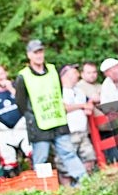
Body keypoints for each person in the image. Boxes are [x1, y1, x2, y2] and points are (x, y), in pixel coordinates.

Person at [14, 39, 87, 183]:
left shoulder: (53, 70)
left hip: (57, 120)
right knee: (41, 160)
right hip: (39, 124)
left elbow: (58, 92)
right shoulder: (23, 76)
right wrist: (32, 117)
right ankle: (44, 188)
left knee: (69, 153)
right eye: (35, 52)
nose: (39, 55)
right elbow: (21, 103)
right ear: (29, 55)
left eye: (40, 51)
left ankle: (84, 182)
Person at [0, 64, 31, 176]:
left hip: (22, 129)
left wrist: (11, 88)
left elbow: (26, 102)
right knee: (8, 165)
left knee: (32, 155)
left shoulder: (17, 87)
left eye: (1, 73)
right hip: (5, 133)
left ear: (6, 73)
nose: (0, 77)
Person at [59, 64, 96, 176]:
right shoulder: (59, 91)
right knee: (66, 164)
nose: (77, 74)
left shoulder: (79, 91)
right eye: (74, 72)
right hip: (68, 133)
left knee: (89, 157)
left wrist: (88, 106)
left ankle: (87, 182)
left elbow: (89, 103)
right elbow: (63, 108)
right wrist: (82, 106)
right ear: (65, 75)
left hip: (83, 131)